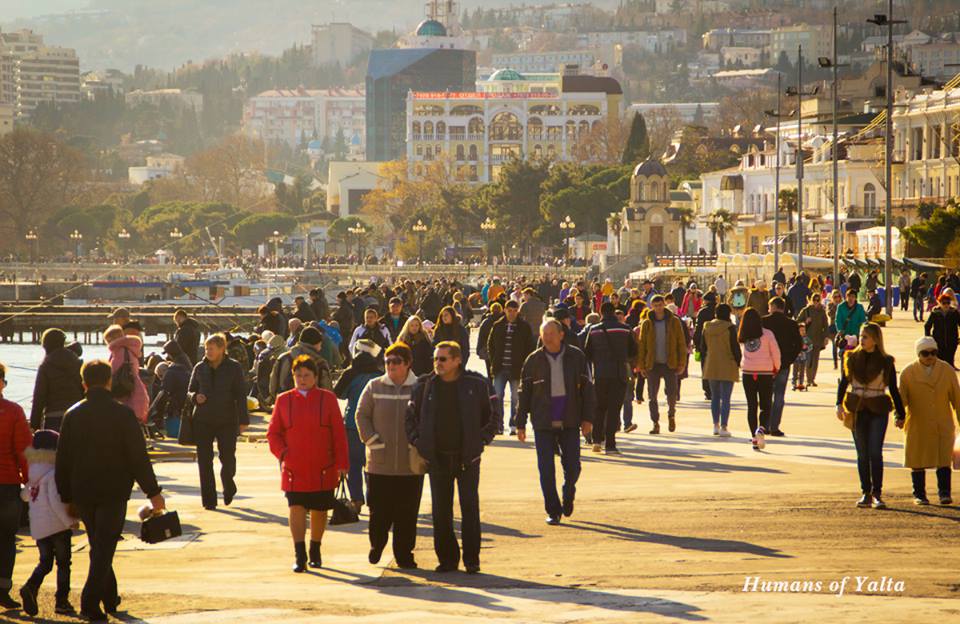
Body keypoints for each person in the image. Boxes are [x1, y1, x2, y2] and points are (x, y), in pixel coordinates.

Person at [56, 360, 164, 621]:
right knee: (104, 547)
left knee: (99, 544)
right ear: (108, 382)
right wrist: (153, 492)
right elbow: (138, 457)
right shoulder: (123, 414)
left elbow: (63, 459)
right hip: (114, 491)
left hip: (83, 491)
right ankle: (90, 602)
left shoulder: (73, 414)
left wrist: (66, 496)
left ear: (83, 384)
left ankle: (110, 596)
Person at [405, 341, 498, 574]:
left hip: (467, 458)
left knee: (469, 508)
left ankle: (471, 559)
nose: (438, 363)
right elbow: (410, 418)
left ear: (457, 360)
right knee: (441, 511)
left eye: (443, 359)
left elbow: (493, 416)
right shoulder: (424, 385)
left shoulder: (476, 384)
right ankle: (447, 559)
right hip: (437, 458)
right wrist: (419, 443)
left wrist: (482, 441)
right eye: (436, 359)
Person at [268, 355, 348, 572]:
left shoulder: (328, 399)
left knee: (320, 509)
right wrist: (283, 453)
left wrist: (342, 463)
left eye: (306, 375)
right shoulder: (283, 400)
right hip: (294, 466)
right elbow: (273, 433)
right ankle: (299, 553)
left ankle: (315, 548)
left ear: (316, 377)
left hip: (324, 465)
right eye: (298, 375)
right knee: (295, 507)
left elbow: (339, 435)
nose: (302, 379)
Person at [516, 320, 595, 525]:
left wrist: (588, 419)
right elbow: (524, 394)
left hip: (570, 418)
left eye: (551, 333)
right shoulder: (533, 360)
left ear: (561, 335)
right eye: (544, 333)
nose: (548, 337)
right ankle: (553, 510)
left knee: (573, 466)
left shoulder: (576, 356)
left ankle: (568, 491)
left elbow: (587, 390)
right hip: (543, 420)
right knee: (546, 468)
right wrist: (520, 423)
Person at [355, 343, 423, 568]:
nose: (391, 366)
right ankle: (377, 543)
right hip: (379, 463)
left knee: (407, 512)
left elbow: (429, 418)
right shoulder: (374, 386)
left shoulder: (419, 388)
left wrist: (420, 445)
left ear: (407, 364)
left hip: (409, 464)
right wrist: (372, 441)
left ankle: (404, 554)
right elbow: (361, 415)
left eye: (396, 362)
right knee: (379, 510)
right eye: (388, 362)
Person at [837, 323, 905, 509]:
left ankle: (877, 493)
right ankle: (865, 492)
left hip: (878, 408)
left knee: (875, 452)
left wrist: (901, 412)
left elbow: (893, 389)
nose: (862, 339)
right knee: (862, 453)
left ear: (875, 339)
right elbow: (843, 382)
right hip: (857, 408)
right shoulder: (850, 357)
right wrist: (838, 404)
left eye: (865, 336)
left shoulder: (886, 361)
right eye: (861, 336)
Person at [187, 334, 249, 511]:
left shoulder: (234, 367)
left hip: (227, 420)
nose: (208, 352)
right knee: (204, 461)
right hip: (203, 420)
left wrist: (243, 420)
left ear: (222, 349)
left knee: (227, 458)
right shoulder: (199, 367)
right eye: (206, 348)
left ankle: (228, 484)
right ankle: (209, 500)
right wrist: (194, 397)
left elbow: (240, 395)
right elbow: (190, 390)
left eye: (211, 348)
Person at [19, 430, 76, 617]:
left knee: (45, 563)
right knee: (63, 564)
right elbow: (56, 502)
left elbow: (25, 496)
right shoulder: (53, 473)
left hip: (39, 527)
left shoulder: (34, 473)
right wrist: (70, 522)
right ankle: (61, 601)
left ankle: (31, 587)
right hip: (57, 526)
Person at [898, 336, 960, 506]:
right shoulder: (908, 373)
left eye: (933, 353)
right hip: (918, 424)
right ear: (918, 354)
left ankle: (944, 493)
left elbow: (957, 399)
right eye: (925, 353)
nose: (930, 357)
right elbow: (900, 400)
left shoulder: (946, 370)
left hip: (942, 422)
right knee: (917, 459)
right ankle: (919, 494)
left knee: (943, 459)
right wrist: (898, 415)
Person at [333, 339, 383, 513]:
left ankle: (356, 499)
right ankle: (374, 499)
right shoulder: (380, 374)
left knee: (354, 464)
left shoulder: (350, 373)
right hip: (376, 426)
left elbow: (338, 393)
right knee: (374, 465)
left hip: (353, 425)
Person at [584, 302, 638, 453]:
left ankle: (596, 441)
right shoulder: (625, 329)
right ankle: (610, 444)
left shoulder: (594, 330)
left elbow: (587, 353)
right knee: (614, 409)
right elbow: (633, 351)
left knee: (599, 408)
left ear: (601, 313)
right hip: (619, 373)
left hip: (600, 374)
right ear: (614, 312)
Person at [0, 363, 31, 609]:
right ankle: (2, 589)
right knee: (7, 539)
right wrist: (29, 481)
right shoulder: (13, 411)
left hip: (8, 482)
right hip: (8, 483)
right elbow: (24, 451)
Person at [635, 296, 686, 437]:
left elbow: (681, 343)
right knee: (652, 396)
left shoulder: (674, 321)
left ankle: (671, 414)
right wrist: (641, 365)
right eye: (655, 305)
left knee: (671, 393)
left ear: (664, 305)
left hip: (670, 363)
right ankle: (655, 422)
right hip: (653, 364)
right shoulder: (647, 324)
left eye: (660, 305)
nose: (658, 308)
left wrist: (682, 363)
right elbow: (642, 345)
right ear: (652, 306)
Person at [487, 300, 536, 435]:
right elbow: (490, 345)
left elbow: (530, 347)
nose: (512, 313)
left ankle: (514, 424)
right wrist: (494, 360)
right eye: (509, 310)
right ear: (505, 310)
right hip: (500, 368)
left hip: (517, 369)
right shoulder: (497, 325)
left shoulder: (524, 327)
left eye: (515, 310)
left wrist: (525, 366)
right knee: (497, 396)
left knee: (516, 398)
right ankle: (498, 424)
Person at [738, 308, 780, 451]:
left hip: (748, 372)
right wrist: (777, 367)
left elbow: (740, 353)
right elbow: (775, 353)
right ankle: (761, 429)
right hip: (765, 372)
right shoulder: (768, 334)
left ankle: (754, 438)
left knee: (751, 405)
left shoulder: (743, 336)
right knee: (765, 404)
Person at [30, 328, 84, 432]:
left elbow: (39, 397)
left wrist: (34, 425)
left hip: (53, 416)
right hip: (77, 413)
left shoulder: (45, 365)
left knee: (54, 446)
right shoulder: (77, 362)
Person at [762, 298, 802, 437]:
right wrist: (789, 359)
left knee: (765, 395)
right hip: (783, 365)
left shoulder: (764, 322)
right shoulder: (791, 323)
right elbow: (798, 344)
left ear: (773, 306)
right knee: (779, 396)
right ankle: (774, 427)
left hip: (766, 365)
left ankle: (764, 425)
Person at [699, 304, 740, 437]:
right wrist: (739, 362)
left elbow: (702, 347)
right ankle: (724, 426)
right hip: (727, 363)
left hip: (712, 363)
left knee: (715, 397)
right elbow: (735, 348)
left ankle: (715, 425)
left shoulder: (707, 327)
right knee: (726, 398)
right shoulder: (730, 328)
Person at [269, 326, 334, 401]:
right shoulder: (319, 362)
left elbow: (273, 384)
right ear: (315, 343)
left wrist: (277, 398)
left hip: (286, 403)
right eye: (320, 344)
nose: (320, 347)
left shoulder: (283, 358)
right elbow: (327, 390)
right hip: (312, 406)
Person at [104, 324, 149, 425]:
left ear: (112, 339)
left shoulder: (120, 351)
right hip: (134, 388)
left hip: (124, 391)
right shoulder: (129, 349)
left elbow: (112, 370)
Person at [796, 293, 829, 387]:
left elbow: (825, 325)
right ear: (811, 300)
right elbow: (798, 322)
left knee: (815, 361)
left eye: (818, 300)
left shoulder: (822, 312)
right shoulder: (806, 311)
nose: (816, 302)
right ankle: (808, 378)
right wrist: (805, 322)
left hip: (818, 339)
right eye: (814, 300)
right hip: (807, 339)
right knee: (808, 360)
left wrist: (826, 337)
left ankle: (812, 379)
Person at [693, 292, 718, 401]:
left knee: (706, 367)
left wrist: (696, 343)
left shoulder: (703, 311)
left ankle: (708, 390)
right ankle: (716, 388)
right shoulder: (718, 310)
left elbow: (698, 328)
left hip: (705, 342)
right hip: (718, 342)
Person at [924, 293, 960, 369]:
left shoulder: (954, 313)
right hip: (938, 339)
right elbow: (927, 326)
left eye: (948, 303)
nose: (946, 305)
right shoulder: (935, 313)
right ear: (939, 303)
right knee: (940, 359)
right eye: (944, 303)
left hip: (952, 339)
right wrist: (928, 338)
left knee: (950, 356)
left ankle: (951, 367)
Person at [792, 324, 813, 391]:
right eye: (801, 330)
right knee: (795, 371)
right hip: (796, 358)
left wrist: (807, 348)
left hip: (803, 358)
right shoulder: (795, 338)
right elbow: (792, 346)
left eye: (804, 330)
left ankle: (801, 383)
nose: (803, 332)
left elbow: (811, 346)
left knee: (802, 371)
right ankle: (794, 383)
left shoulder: (807, 339)